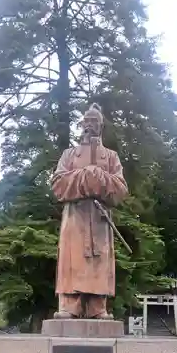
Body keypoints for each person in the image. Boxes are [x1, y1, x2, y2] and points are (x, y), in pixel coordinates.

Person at [52, 103, 128, 319]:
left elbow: (121, 189)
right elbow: (58, 185)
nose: (89, 125)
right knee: (72, 259)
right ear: (81, 124)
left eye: (94, 121)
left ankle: (97, 306)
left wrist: (101, 177)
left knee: (99, 261)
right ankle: (69, 305)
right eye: (86, 121)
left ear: (101, 126)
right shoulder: (69, 155)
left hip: (100, 217)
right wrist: (85, 175)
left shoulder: (111, 157)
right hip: (75, 215)